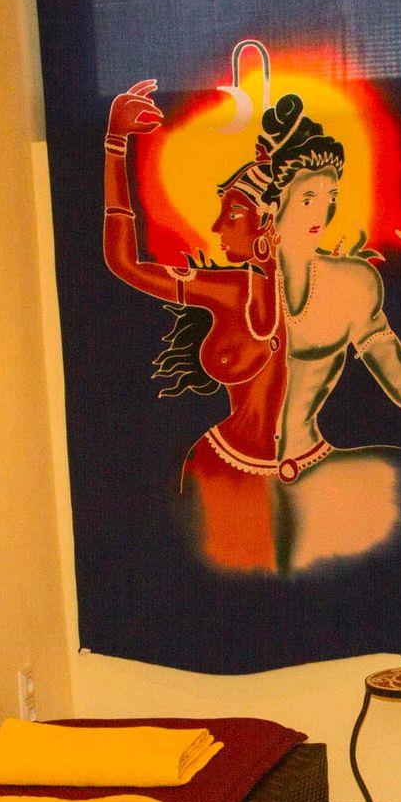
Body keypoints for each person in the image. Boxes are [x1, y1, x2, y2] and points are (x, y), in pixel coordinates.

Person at [261, 97, 401, 568]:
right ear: (276, 203)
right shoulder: (241, 283)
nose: (321, 213)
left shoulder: (354, 283)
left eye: (330, 198)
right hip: (237, 472)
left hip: (313, 466)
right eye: (308, 198)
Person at [101, 79, 288, 572]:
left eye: (233, 212)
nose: (218, 226)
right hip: (224, 466)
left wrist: (116, 144)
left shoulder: (311, 289)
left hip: (276, 471)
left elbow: (125, 262)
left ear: (269, 223)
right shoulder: (231, 288)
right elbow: (125, 264)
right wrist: (114, 146)